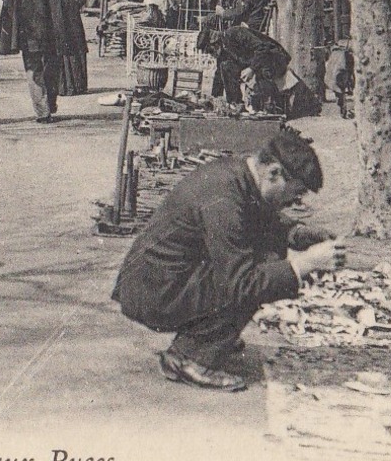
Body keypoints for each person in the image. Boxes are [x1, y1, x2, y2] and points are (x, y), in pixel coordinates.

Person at [112, 128, 344, 391]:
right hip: (153, 293)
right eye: (296, 192)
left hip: (161, 281)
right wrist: (305, 263)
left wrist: (296, 233)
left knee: (266, 262)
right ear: (274, 172)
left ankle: (207, 338)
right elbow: (241, 282)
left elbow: (257, 215)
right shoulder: (225, 198)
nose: (296, 200)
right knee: (256, 277)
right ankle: (190, 357)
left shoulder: (239, 173)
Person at [0, 0, 88, 124]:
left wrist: (11, 30)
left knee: (33, 68)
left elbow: (9, 2)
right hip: (54, 30)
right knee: (52, 66)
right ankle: (50, 101)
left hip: (27, 31)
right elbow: (69, 5)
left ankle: (42, 110)